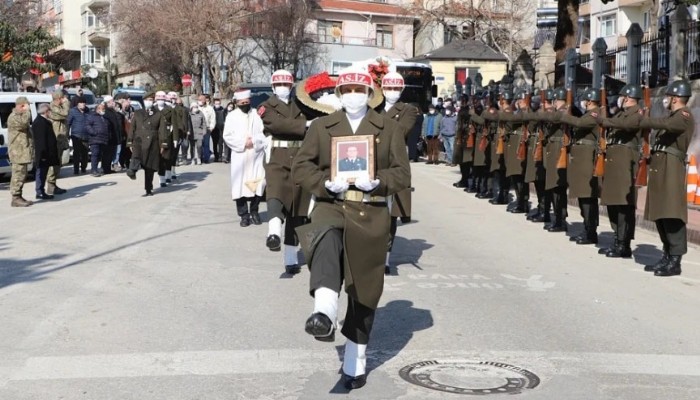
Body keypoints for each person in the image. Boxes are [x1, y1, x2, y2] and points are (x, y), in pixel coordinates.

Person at [292, 67, 410, 390]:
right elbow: (301, 166)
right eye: (348, 91)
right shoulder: (322, 127)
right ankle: (324, 312)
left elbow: (402, 174)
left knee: (364, 289)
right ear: (339, 95)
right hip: (332, 204)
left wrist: (380, 182)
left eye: (360, 90)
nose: (354, 95)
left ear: (370, 93)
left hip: (370, 212)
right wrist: (323, 183)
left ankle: (354, 362)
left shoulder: (388, 128)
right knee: (324, 237)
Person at [639, 79, 695, 277]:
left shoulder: (684, 115)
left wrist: (646, 119)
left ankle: (675, 260)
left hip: (671, 167)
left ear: (676, 98)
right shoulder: (671, 116)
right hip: (661, 166)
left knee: (672, 213)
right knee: (661, 213)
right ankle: (667, 254)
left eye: (669, 96)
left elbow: (670, 125)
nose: (666, 100)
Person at [258, 69, 309, 274]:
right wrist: (305, 124)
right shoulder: (265, 106)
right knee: (276, 194)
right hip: (277, 156)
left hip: (300, 156)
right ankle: (273, 233)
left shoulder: (301, 104)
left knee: (297, 209)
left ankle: (290, 259)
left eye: (286, 85)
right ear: (272, 87)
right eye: (279, 85)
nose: (283, 88)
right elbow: (278, 125)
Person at [377, 71, 419, 274]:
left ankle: (385, 258)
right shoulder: (373, 107)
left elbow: (400, 131)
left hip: (393, 161)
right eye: (388, 88)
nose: (392, 92)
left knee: (391, 214)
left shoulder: (408, 110)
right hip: (373, 162)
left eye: (395, 88)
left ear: (401, 90)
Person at [597, 84, 643, 257]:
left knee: (624, 204)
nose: (619, 99)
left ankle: (624, 243)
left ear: (628, 97)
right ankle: (617, 239)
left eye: (622, 96)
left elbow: (628, 126)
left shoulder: (637, 113)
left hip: (625, 162)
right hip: (614, 161)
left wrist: (605, 120)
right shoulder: (620, 113)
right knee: (613, 202)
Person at [558, 88, 600, 245]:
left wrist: (565, 116)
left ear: (589, 101)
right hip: (581, 159)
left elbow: (580, 123)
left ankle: (590, 231)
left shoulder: (595, 114)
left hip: (588, 160)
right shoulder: (588, 114)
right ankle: (587, 229)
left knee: (588, 197)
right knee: (584, 197)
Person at [222, 89, 267, 227]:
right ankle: (244, 215)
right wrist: (243, 143)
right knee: (239, 186)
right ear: (237, 103)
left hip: (256, 155)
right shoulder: (232, 116)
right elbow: (227, 136)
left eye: (247, 102)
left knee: (258, 184)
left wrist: (253, 141)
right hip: (240, 155)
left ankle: (254, 211)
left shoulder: (256, 115)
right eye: (242, 103)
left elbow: (264, 132)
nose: (244, 104)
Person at [529, 87, 569, 232]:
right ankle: (556, 218)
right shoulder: (556, 112)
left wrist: (542, 112)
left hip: (559, 151)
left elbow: (551, 119)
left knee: (558, 188)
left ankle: (561, 219)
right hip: (551, 151)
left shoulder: (564, 111)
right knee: (553, 187)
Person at [126, 92, 168, 196]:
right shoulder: (138, 113)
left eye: (150, 100)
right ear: (143, 101)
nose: (148, 101)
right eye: (146, 99)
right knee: (135, 157)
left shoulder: (158, 114)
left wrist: (163, 144)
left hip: (153, 142)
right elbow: (132, 128)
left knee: (149, 167)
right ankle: (132, 171)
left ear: (153, 101)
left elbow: (162, 130)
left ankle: (148, 189)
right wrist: (130, 142)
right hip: (139, 140)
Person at [524, 91, 551, 224]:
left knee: (544, 183)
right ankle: (542, 209)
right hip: (538, 149)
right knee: (538, 181)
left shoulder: (552, 114)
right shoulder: (539, 115)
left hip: (546, 151)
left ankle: (545, 211)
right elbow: (531, 125)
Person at [8, 97, 34, 207]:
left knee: (22, 174)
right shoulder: (14, 117)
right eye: (26, 105)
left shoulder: (20, 116)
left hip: (22, 151)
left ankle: (19, 195)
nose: (27, 108)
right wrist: (27, 111)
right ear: (21, 105)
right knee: (18, 174)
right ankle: (15, 198)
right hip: (17, 151)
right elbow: (23, 124)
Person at [31, 104, 60, 200]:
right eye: (49, 111)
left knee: (44, 173)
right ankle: (39, 192)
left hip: (47, 152)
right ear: (45, 111)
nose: (50, 113)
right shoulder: (40, 122)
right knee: (41, 173)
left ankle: (41, 191)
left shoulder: (44, 121)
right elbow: (41, 141)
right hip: (43, 153)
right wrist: (43, 154)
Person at [48, 91, 70, 195]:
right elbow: (65, 114)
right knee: (54, 164)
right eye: (62, 98)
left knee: (58, 163)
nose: (64, 100)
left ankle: (53, 185)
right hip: (56, 139)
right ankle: (51, 185)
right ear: (58, 99)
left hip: (61, 139)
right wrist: (66, 103)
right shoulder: (53, 107)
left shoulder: (59, 107)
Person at [154, 91, 174, 187]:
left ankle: (168, 174)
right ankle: (161, 178)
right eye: (158, 98)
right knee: (159, 158)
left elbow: (174, 123)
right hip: (155, 136)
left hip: (167, 135)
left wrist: (176, 138)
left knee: (167, 157)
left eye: (162, 98)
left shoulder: (169, 109)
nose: (160, 100)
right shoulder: (152, 109)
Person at [85, 103, 111, 177]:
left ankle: (98, 169)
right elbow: (87, 126)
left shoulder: (104, 118)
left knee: (100, 155)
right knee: (95, 154)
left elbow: (107, 127)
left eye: (104, 109)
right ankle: (94, 170)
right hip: (95, 139)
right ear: (97, 109)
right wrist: (93, 132)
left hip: (103, 139)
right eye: (102, 109)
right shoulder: (92, 116)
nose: (103, 110)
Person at [67, 96, 90, 175]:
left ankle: (83, 167)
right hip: (76, 135)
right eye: (81, 103)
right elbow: (68, 123)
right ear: (78, 104)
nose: (83, 104)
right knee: (76, 153)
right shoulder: (73, 111)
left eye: (84, 103)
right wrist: (67, 134)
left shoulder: (87, 110)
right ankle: (76, 169)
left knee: (85, 153)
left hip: (86, 135)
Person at [101, 96, 123, 175]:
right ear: (107, 103)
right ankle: (105, 168)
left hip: (115, 136)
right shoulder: (106, 112)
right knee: (107, 154)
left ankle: (108, 168)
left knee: (111, 154)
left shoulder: (113, 111)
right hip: (109, 137)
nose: (113, 103)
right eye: (111, 101)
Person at [198, 94, 216, 163]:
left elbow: (212, 118)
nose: (200, 101)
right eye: (199, 100)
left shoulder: (209, 108)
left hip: (207, 128)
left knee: (206, 144)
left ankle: (206, 158)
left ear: (205, 100)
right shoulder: (196, 107)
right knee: (200, 144)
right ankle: (200, 157)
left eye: (201, 100)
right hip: (198, 129)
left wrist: (212, 127)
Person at [212, 98, 226, 162]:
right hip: (214, 129)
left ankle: (220, 156)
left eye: (218, 103)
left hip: (221, 128)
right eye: (216, 103)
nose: (217, 105)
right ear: (214, 104)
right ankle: (216, 156)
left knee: (220, 143)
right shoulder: (212, 110)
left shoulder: (223, 110)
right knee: (215, 143)